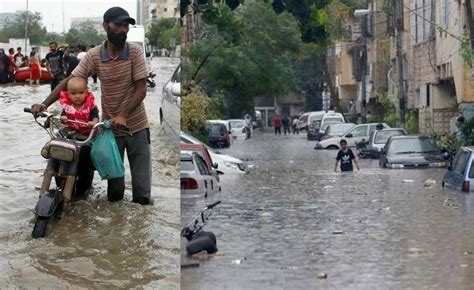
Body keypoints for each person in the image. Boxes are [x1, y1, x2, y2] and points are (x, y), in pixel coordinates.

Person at [32, 6, 152, 205]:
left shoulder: (135, 53)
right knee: (115, 193)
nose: (123, 30)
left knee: (142, 195)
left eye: (126, 26)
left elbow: (141, 89)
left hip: (137, 127)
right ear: (106, 25)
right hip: (110, 131)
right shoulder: (95, 55)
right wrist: (44, 104)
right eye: (118, 25)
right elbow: (70, 81)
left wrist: (123, 114)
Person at [40, 77, 99, 210]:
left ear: (86, 92)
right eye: (73, 93)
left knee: (89, 154)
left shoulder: (91, 106)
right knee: (56, 139)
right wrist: (62, 118)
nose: (77, 96)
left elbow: (96, 117)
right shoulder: (67, 106)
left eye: (81, 93)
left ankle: (82, 182)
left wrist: (94, 123)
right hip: (69, 133)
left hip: (84, 136)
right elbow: (63, 118)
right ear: (68, 94)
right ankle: (48, 149)